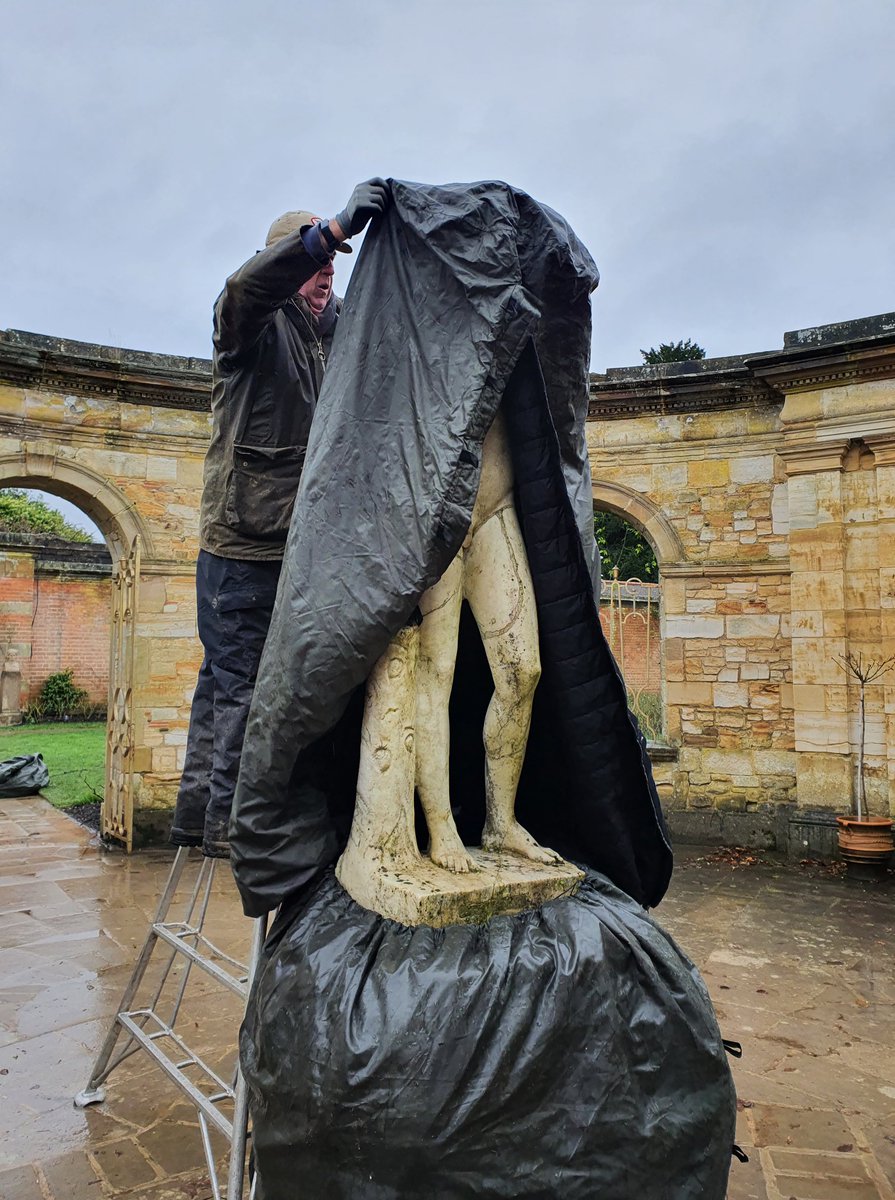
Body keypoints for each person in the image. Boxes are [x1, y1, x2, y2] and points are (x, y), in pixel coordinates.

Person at [170, 179, 391, 857]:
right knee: (243, 691)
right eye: (315, 263)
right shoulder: (249, 325)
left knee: (231, 689)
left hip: (302, 548)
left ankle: (203, 819)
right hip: (244, 547)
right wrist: (326, 233)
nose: (326, 274)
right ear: (285, 261)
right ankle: (238, 835)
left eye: (332, 266)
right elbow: (248, 289)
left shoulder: (336, 332)